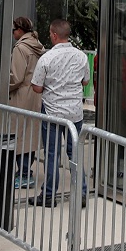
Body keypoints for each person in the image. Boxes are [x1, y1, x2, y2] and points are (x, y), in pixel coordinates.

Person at [29, 18, 88, 207]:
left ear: (54, 35)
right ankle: (82, 192)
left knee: (52, 154)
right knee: (74, 153)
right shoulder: (82, 57)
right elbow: (85, 81)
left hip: (53, 112)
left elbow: (36, 87)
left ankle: (48, 195)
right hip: (75, 113)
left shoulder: (46, 58)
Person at [6, 16, 44, 187]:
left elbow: (16, 77)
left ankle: (23, 174)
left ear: (20, 30)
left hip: (21, 94)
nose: (12, 33)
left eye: (14, 30)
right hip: (35, 94)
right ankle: (25, 172)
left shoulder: (21, 48)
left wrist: (3, 87)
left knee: (19, 135)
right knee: (30, 135)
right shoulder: (37, 45)